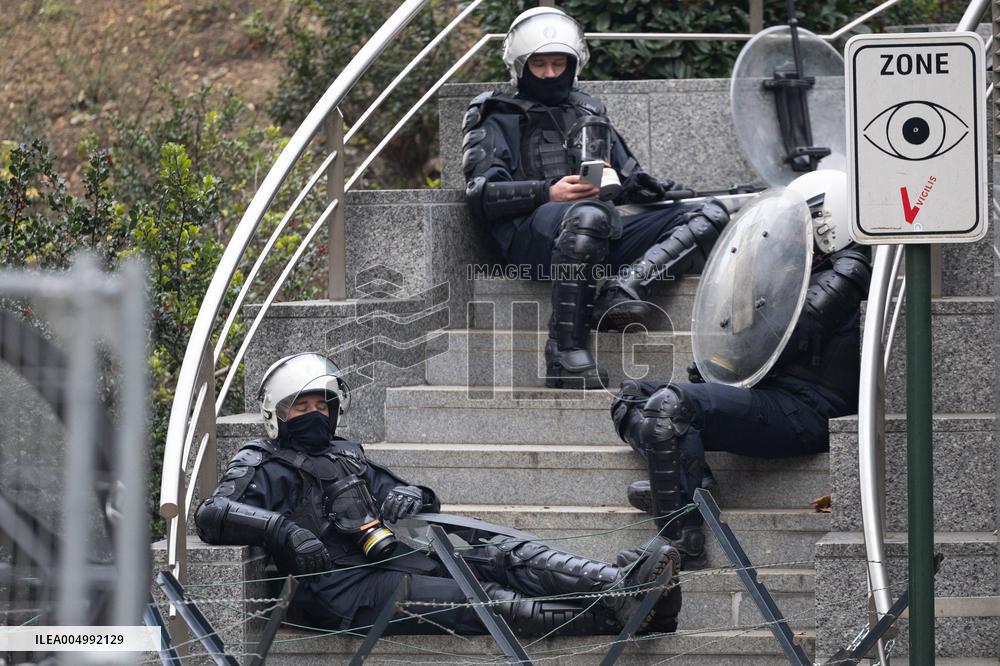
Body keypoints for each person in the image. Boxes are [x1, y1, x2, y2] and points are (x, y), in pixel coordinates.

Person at [195, 352, 683, 636]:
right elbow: (211, 514)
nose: (315, 414)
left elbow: (407, 495)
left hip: (392, 561)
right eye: (302, 406)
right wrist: (281, 529)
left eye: (323, 405)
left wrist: (414, 494)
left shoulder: (346, 453)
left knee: (503, 557)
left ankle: (619, 584)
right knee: (487, 599)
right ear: (276, 413)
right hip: (338, 594)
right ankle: (622, 617)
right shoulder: (263, 462)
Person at [610, 170, 872, 570]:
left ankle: (681, 544)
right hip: (772, 392)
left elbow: (787, 336)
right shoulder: (804, 267)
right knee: (632, 396)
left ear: (828, 219)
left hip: (807, 409)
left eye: (802, 222)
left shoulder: (848, 270)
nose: (790, 234)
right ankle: (689, 480)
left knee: (669, 406)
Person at [463, 7, 730, 389]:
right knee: (587, 216)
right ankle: (564, 353)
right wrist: (547, 191)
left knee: (708, 213)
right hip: (531, 239)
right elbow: (481, 193)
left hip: (599, 228)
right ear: (521, 66)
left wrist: (637, 185)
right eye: (540, 64)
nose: (550, 73)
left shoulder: (588, 111)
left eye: (559, 63)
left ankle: (625, 290)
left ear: (574, 64)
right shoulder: (496, 115)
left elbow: (628, 176)